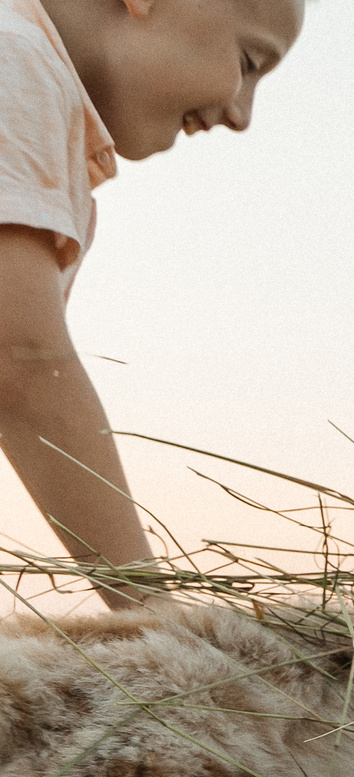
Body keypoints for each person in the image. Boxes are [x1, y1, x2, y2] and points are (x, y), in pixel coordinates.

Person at [0, 0, 302, 608]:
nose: (242, 115)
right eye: (247, 62)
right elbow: (21, 360)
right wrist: (151, 610)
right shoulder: (17, 65)